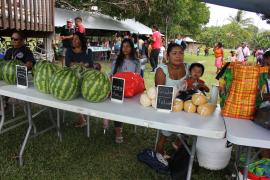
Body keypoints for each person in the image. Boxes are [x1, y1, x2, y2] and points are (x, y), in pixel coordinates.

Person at [155, 42, 189, 157]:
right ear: (167, 56)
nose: (178, 56)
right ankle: (161, 144)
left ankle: (179, 141)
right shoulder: (161, 70)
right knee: (167, 122)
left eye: (181, 53)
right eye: (174, 53)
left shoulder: (187, 68)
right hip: (166, 104)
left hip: (185, 105)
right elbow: (160, 94)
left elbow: (193, 84)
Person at [108, 38, 141, 143]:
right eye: (123, 46)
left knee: (126, 110)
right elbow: (111, 74)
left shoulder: (136, 62)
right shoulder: (117, 60)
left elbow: (138, 77)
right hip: (118, 89)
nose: (125, 49)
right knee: (117, 110)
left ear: (132, 48)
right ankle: (118, 132)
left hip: (131, 92)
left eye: (128, 46)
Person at [65, 32, 94, 127]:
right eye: (73, 39)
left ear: (81, 41)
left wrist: (77, 64)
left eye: (76, 39)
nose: (73, 40)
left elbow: (90, 65)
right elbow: (68, 64)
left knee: (85, 94)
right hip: (73, 78)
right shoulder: (69, 51)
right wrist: (82, 64)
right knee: (74, 94)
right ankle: (82, 119)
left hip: (86, 77)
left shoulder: (88, 51)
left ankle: (82, 116)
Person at [260, 50, 270, 158]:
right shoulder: (258, 76)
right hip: (261, 110)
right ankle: (266, 160)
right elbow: (259, 97)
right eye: (267, 64)